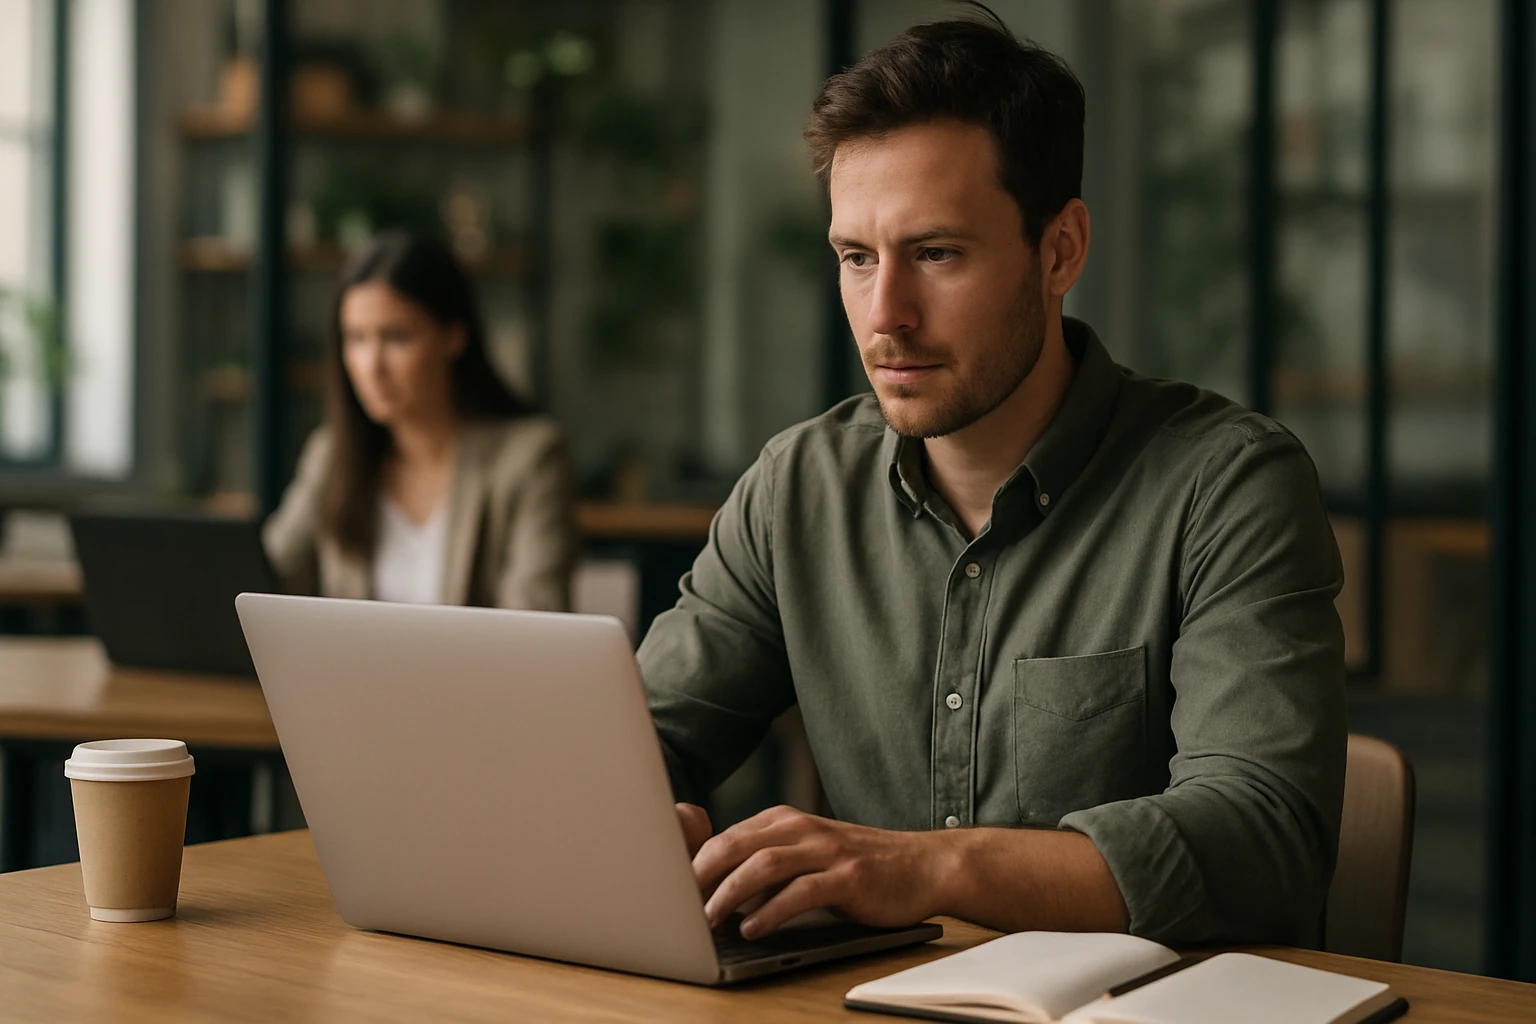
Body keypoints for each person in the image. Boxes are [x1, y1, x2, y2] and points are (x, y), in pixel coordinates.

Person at [640, 5, 1346, 948]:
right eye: (857, 258)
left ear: (1061, 250)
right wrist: (635, 815)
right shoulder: (797, 487)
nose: (885, 314)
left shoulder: (1226, 487)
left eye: (936, 255)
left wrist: (928, 866)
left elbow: (1263, 838)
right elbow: (642, 741)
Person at [264, 232, 577, 611]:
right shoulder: (331, 453)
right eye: (356, 339)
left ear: (453, 336)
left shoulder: (529, 458)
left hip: (477, 673)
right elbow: (267, 579)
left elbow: (535, 619)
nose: (371, 367)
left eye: (396, 337)